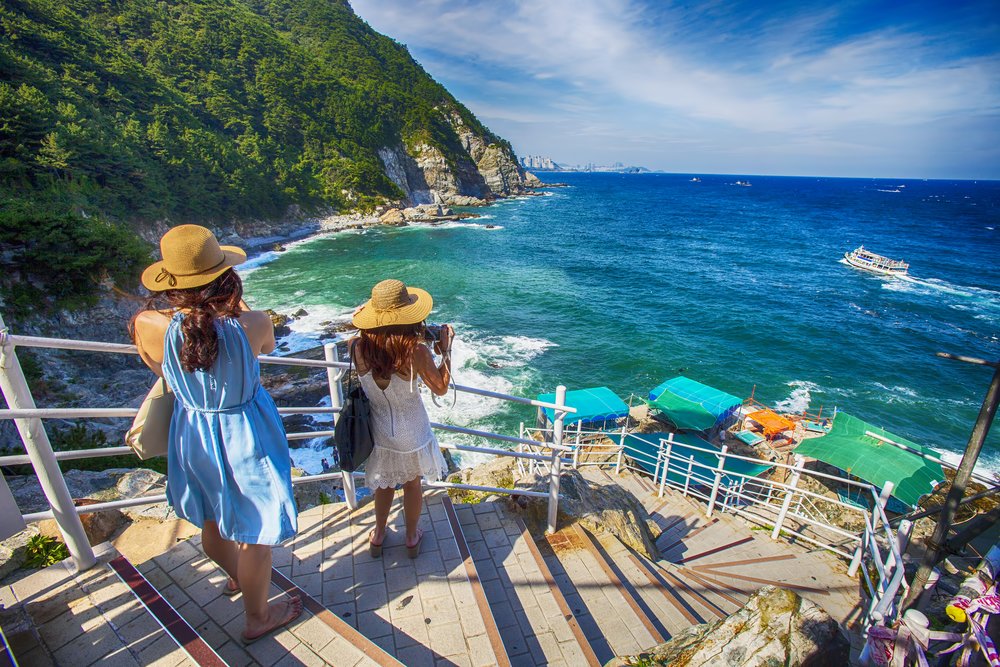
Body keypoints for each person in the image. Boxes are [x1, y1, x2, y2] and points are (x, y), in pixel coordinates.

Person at [130, 224, 301, 643]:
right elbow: (267, 349)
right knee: (256, 532)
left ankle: (236, 579)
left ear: (171, 283)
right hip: (245, 429)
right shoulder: (253, 323)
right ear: (226, 276)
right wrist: (233, 307)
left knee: (212, 519)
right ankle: (257, 617)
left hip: (194, 431)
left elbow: (162, 370)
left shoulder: (148, 324)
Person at [349, 279, 452, 558]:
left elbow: (359, 331)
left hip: (380, 428)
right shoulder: (415, 351)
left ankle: (379, 535)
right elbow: (441, 388)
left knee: (384, 483)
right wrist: (447, 350)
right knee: (412, 482)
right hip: (413, 429)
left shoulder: (357, 347)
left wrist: (362, 320)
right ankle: (410, 537)